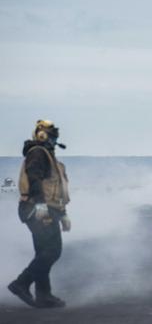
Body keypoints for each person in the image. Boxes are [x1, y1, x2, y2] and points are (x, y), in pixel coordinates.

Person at [8, 120, 70, 308]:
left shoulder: (47, 155)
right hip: (36, 208)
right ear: (41, 135)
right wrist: (41, 207)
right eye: (51, 135)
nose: (53, 139)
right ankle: (21, 284)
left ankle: (44, 296)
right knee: (52, 251)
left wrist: (63, 213)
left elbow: (56, 188)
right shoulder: (37, 153)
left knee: (43, 252)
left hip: (49, 208)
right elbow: (35, 180)